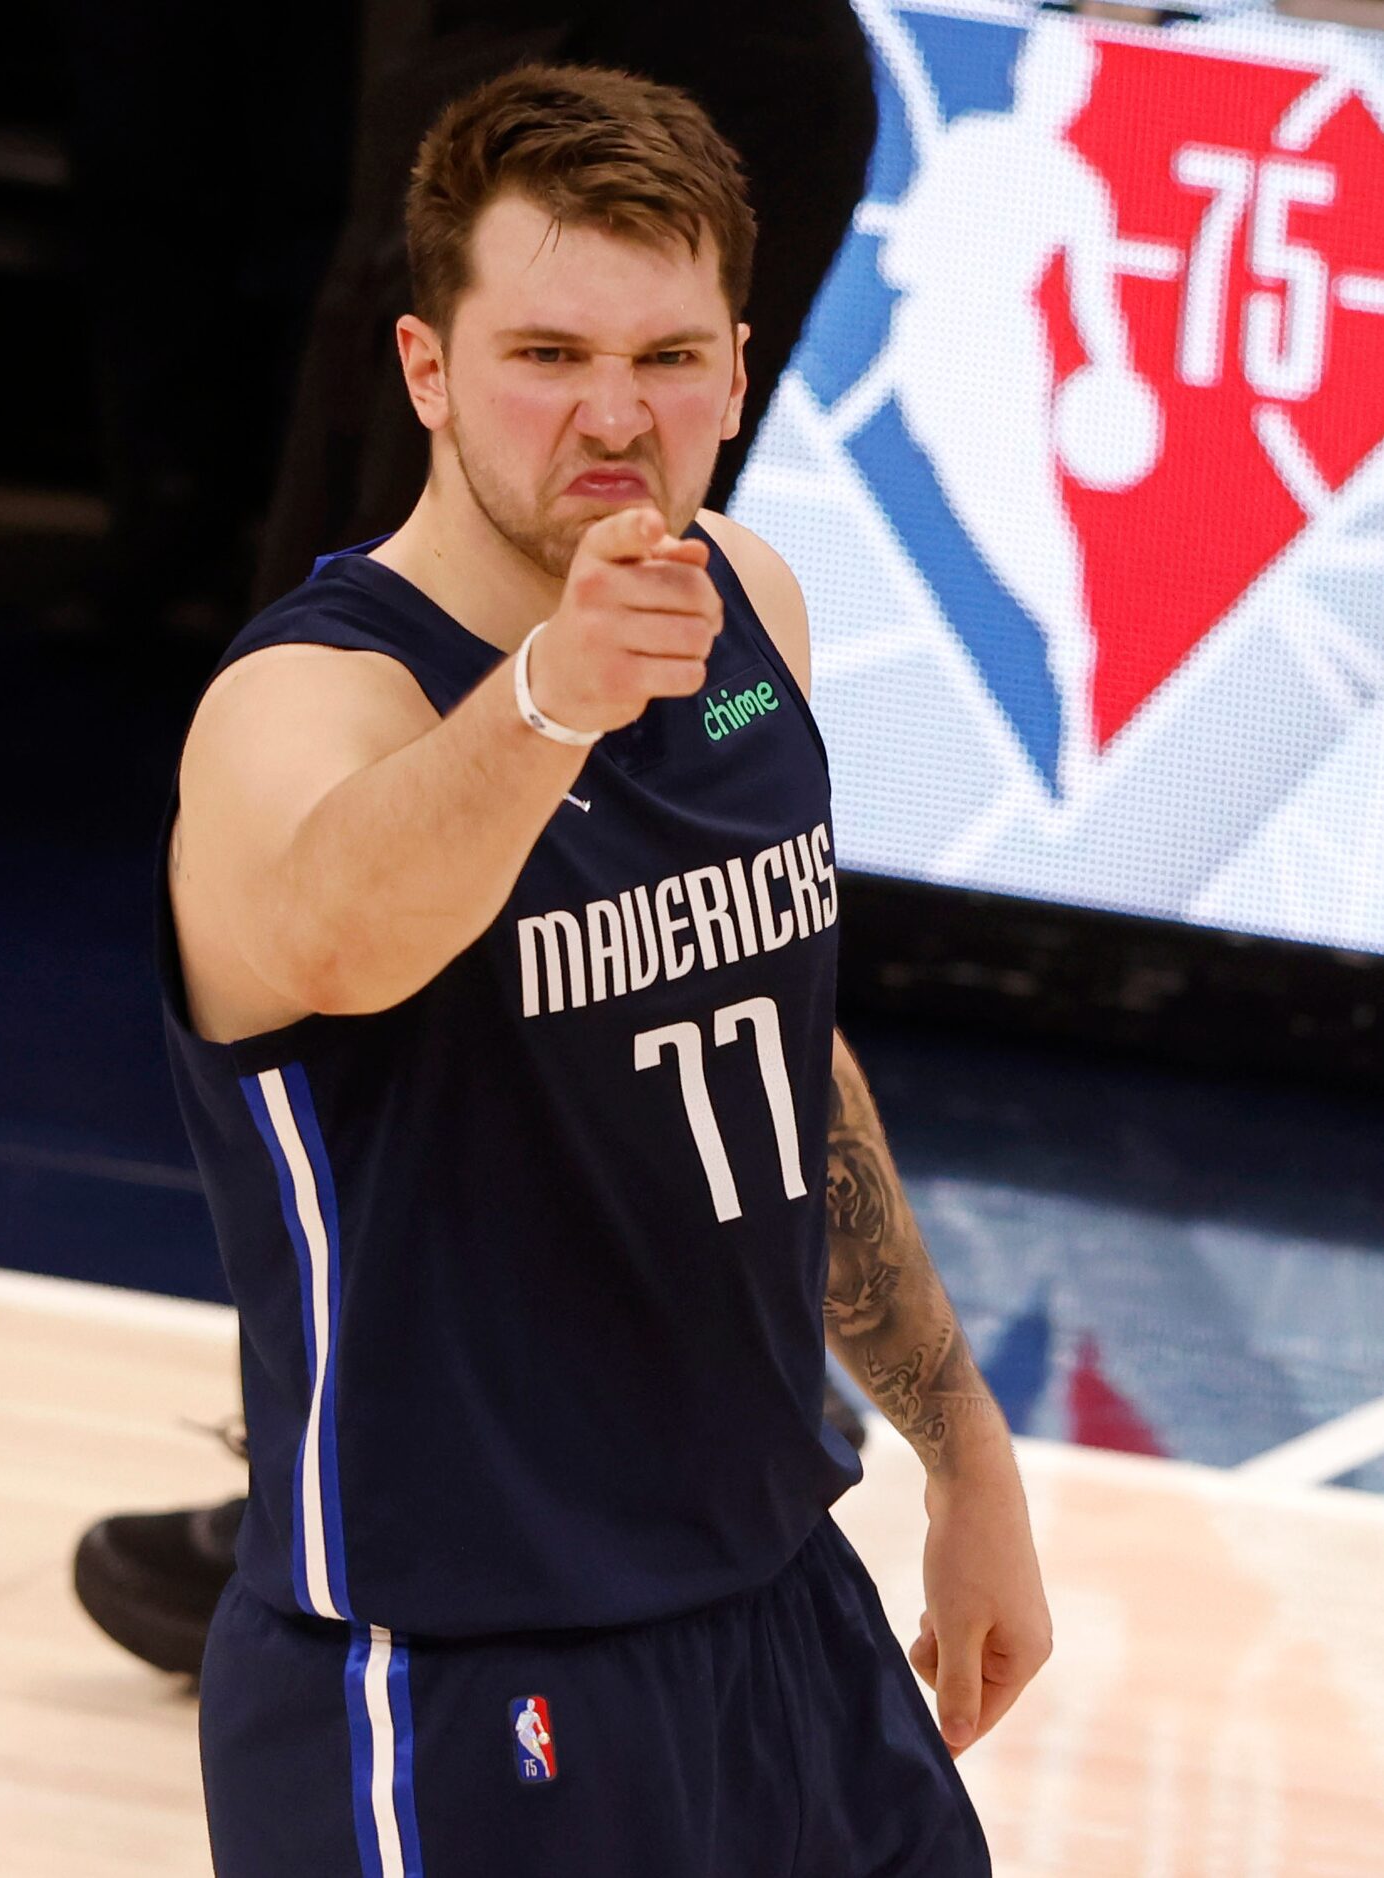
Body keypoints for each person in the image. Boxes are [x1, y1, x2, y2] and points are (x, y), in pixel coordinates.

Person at [154, 64, 1049, 1873]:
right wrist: (555, 696)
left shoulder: (752, 609)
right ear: (427, 372)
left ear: (734, 364)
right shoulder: (301, 702)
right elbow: (340, 934)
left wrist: (964, 1449)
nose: (611, 417)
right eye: (547, 355)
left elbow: (783, 1055)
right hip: (459, 1673)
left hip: (775, 1599)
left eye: (661, 360)